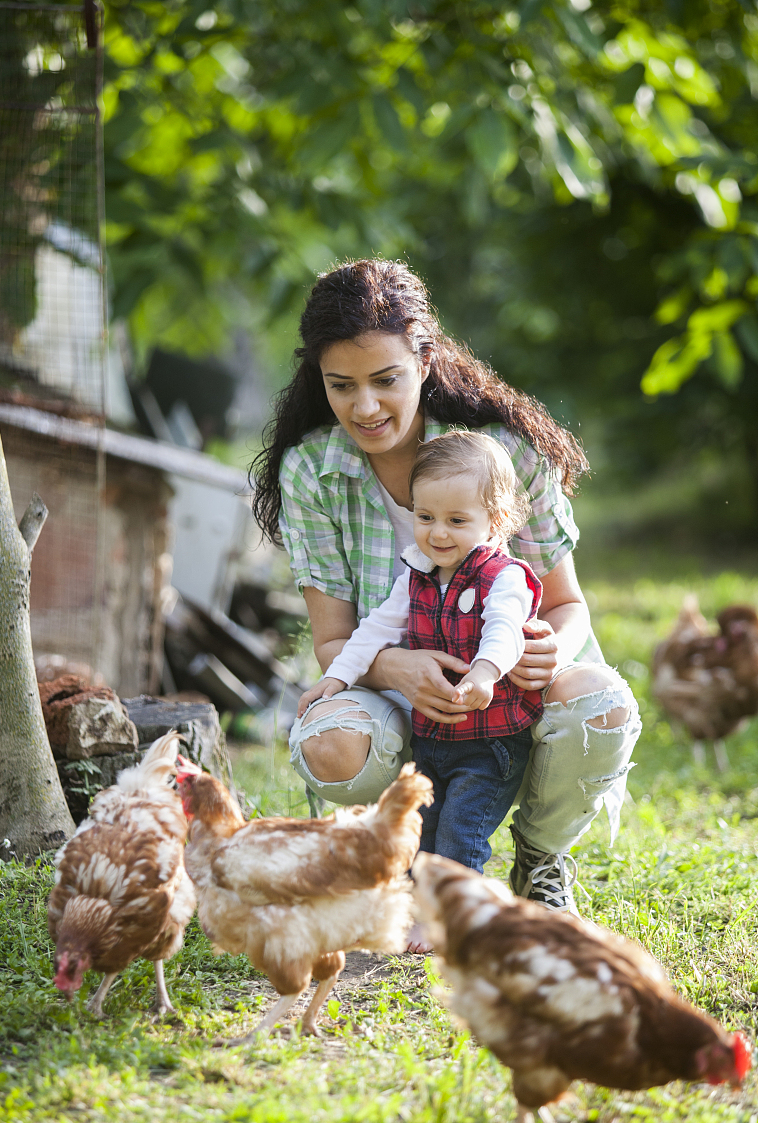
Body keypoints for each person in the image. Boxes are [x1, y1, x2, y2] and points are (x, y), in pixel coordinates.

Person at [250, 258, 641, 940]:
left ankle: (540, 860)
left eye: (385, 380)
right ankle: (400, 855)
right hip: (397, 691)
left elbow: (567, 604)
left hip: (508, 685)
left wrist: (548, 648)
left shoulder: (508, 453)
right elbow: (334, 640)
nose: (365, 407)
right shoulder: (312, 470)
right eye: (341, 386)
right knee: (331, 745)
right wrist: (397, 668)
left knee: (601, 707)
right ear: (318, 378)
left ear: (425, 362)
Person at [297, 430, 544, 877]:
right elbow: (374, 631)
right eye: (426, 517)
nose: (438, 532)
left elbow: (504, 630)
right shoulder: (416, 574)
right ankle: (422, 905)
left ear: (496, 520)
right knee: (422, 825)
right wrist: (336, 678)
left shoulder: (502, 577)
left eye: (456, 520)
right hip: (432, 736)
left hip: (490, 740)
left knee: (460, 832)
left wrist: (485, 673)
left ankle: (453, 919)